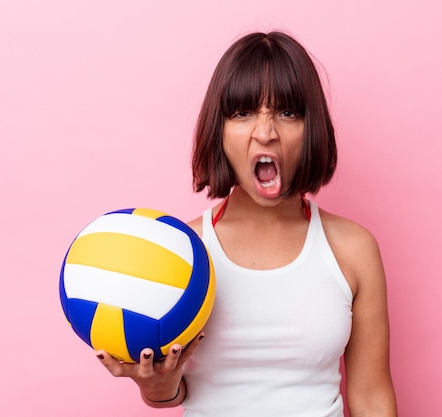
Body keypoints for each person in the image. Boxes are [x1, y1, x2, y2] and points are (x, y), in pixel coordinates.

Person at [96, 31, 397, 417]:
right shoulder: (183, 253)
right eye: (243, 113)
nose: (265, 132)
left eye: (288, 113)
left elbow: (372, 398)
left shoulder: (353, 249)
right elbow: (172, 392)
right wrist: (158, 386)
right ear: (218, 131)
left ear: (312, 129)